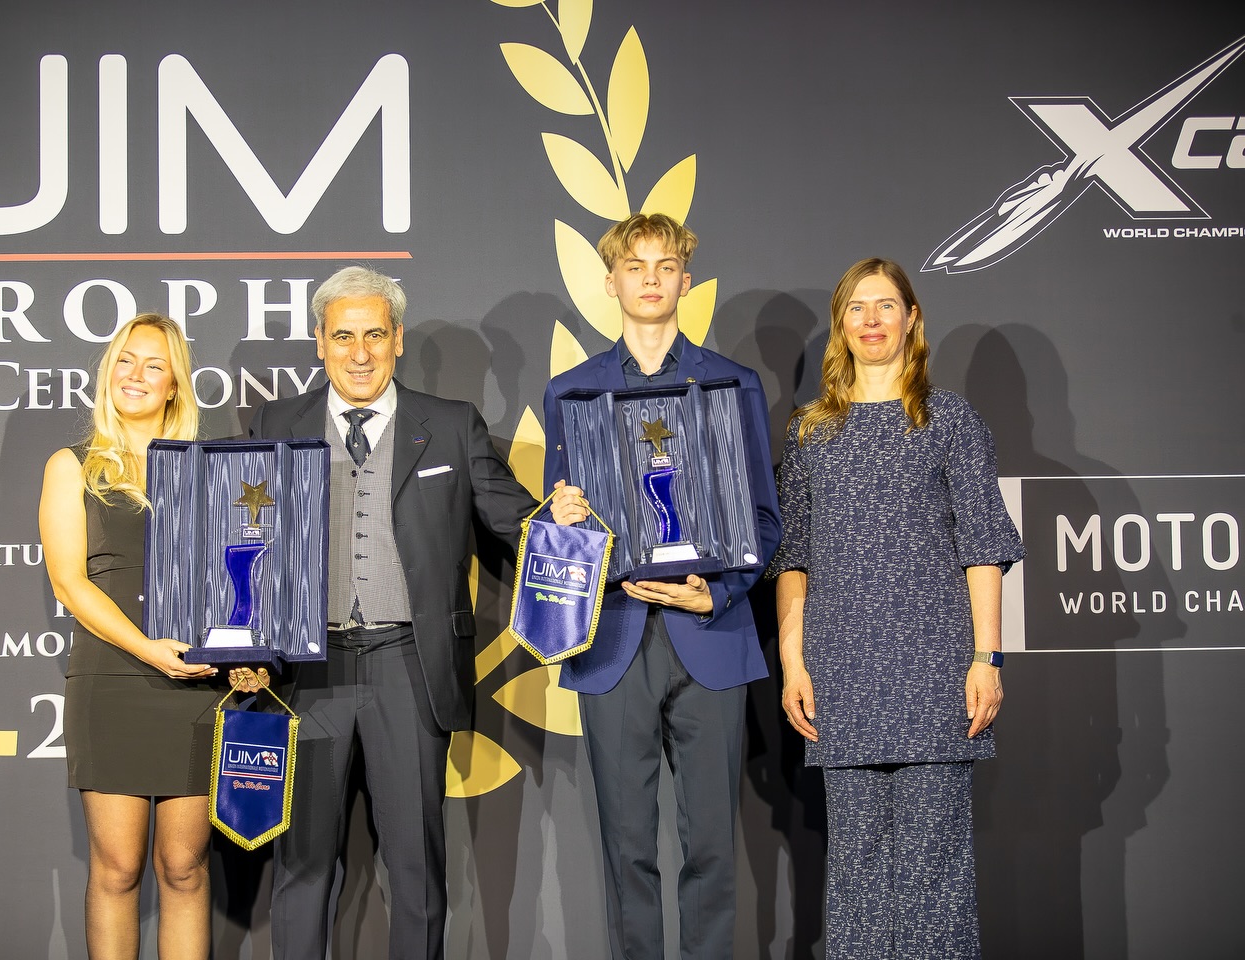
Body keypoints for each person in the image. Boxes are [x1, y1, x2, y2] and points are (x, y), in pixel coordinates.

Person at [231, 266, 551, 960]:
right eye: (343, 335)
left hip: (409, 666)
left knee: (416, 870)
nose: (360, 352)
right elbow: (240, 543)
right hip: (301, 672)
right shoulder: (273, 422)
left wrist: (577, 531)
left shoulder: (451, 424)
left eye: (375, 333)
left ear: (398, 339)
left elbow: (524, 525)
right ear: (320, 341)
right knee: (302, 867)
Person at [771, 258, 1025, 959]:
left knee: (933, 879)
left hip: (936, 678)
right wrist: (794, 663)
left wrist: (987, 657)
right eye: (858, 307)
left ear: (912, 318)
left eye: (886, 305)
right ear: (841, 325)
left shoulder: (949, 420)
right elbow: (792, 559)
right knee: (854, 879)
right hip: (840, 680)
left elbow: (984, 546)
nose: (873, 319)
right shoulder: (808, 433)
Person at [544, 213, 781, 960]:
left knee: (713, 847)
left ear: (686, 277)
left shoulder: (731, 381)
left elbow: (765, 521)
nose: (651, 277)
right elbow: (561, 539)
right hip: (612, 640)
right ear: (610, 281)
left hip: (711, 636)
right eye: (636, 265)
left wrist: (722, 593)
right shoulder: (570, 392)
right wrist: (560, 517)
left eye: (666, 263)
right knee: (627, 854)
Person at [39, 314, 219, 960]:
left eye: (153, 365)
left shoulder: (209, 471)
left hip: (197, 686)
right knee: (116, 869)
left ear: (175, 385)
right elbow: (70, 584)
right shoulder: (73, 467)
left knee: (185, 868)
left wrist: (246, 654)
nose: (135, 376)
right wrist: (148, 651)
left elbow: (240, 578)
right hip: (113, 682)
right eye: (124, 361)